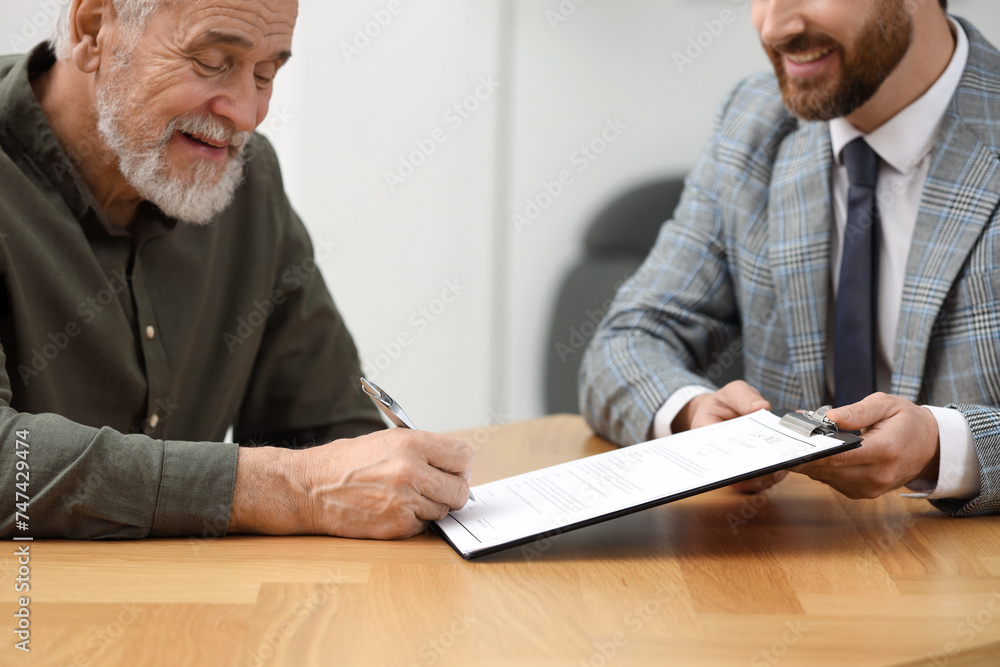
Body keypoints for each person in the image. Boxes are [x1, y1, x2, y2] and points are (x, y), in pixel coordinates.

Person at [0, 0, 473, 540]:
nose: (246, 115)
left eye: (267, 74)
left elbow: (322, 432)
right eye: (212, 60)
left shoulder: (247, 177)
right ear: (93, 30)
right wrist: (284, 488)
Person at [580, 0, 1000, 516]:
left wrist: (943, 447)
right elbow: (624, 342)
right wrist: (694, 413)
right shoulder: (754, 124)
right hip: (788, 563)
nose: (774, 25)